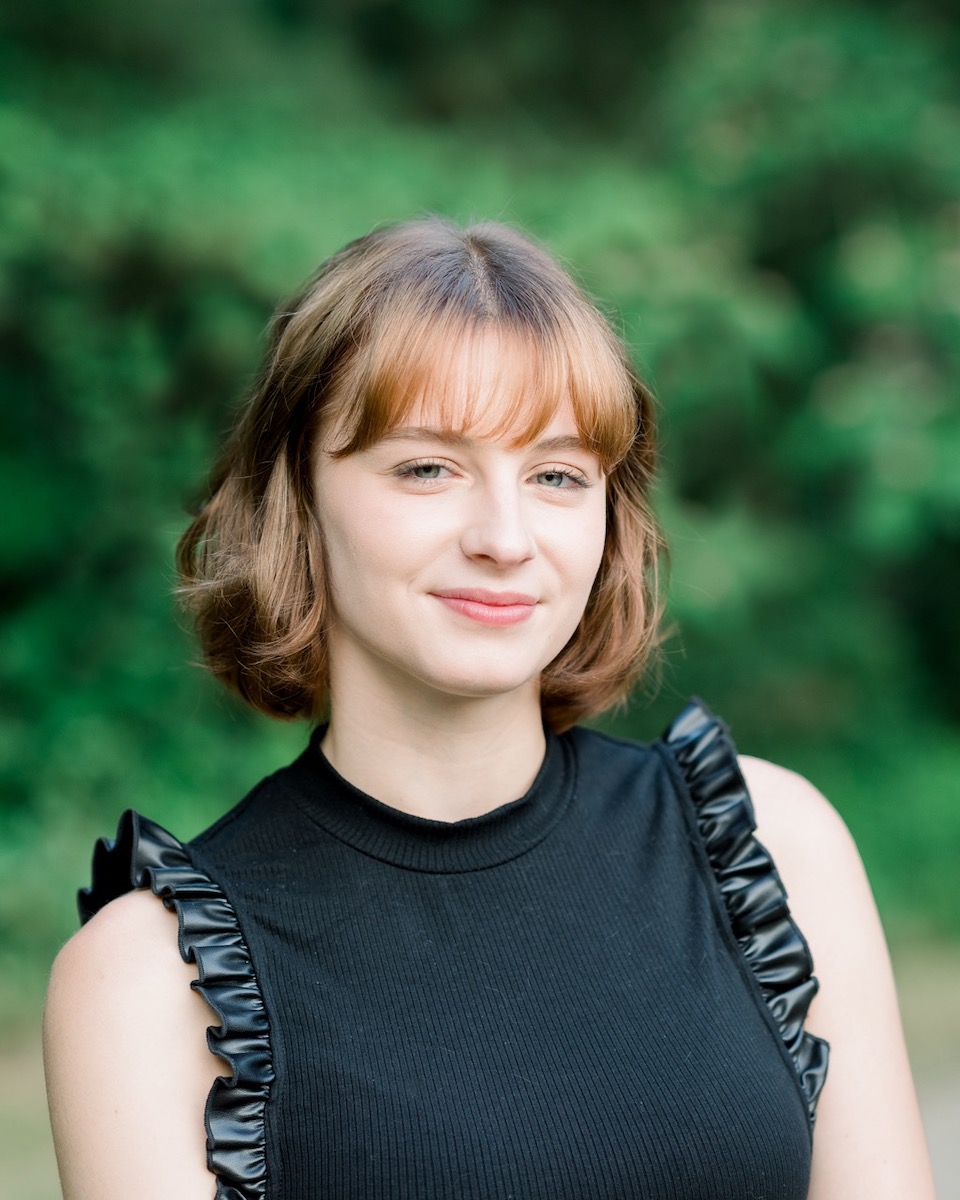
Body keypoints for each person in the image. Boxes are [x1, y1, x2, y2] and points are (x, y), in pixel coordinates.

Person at [43, 217, 934, 1199]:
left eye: (556, 476)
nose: (505, 539)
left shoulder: (774, 849)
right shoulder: (148, 983)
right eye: (428, 467)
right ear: (295, 496)